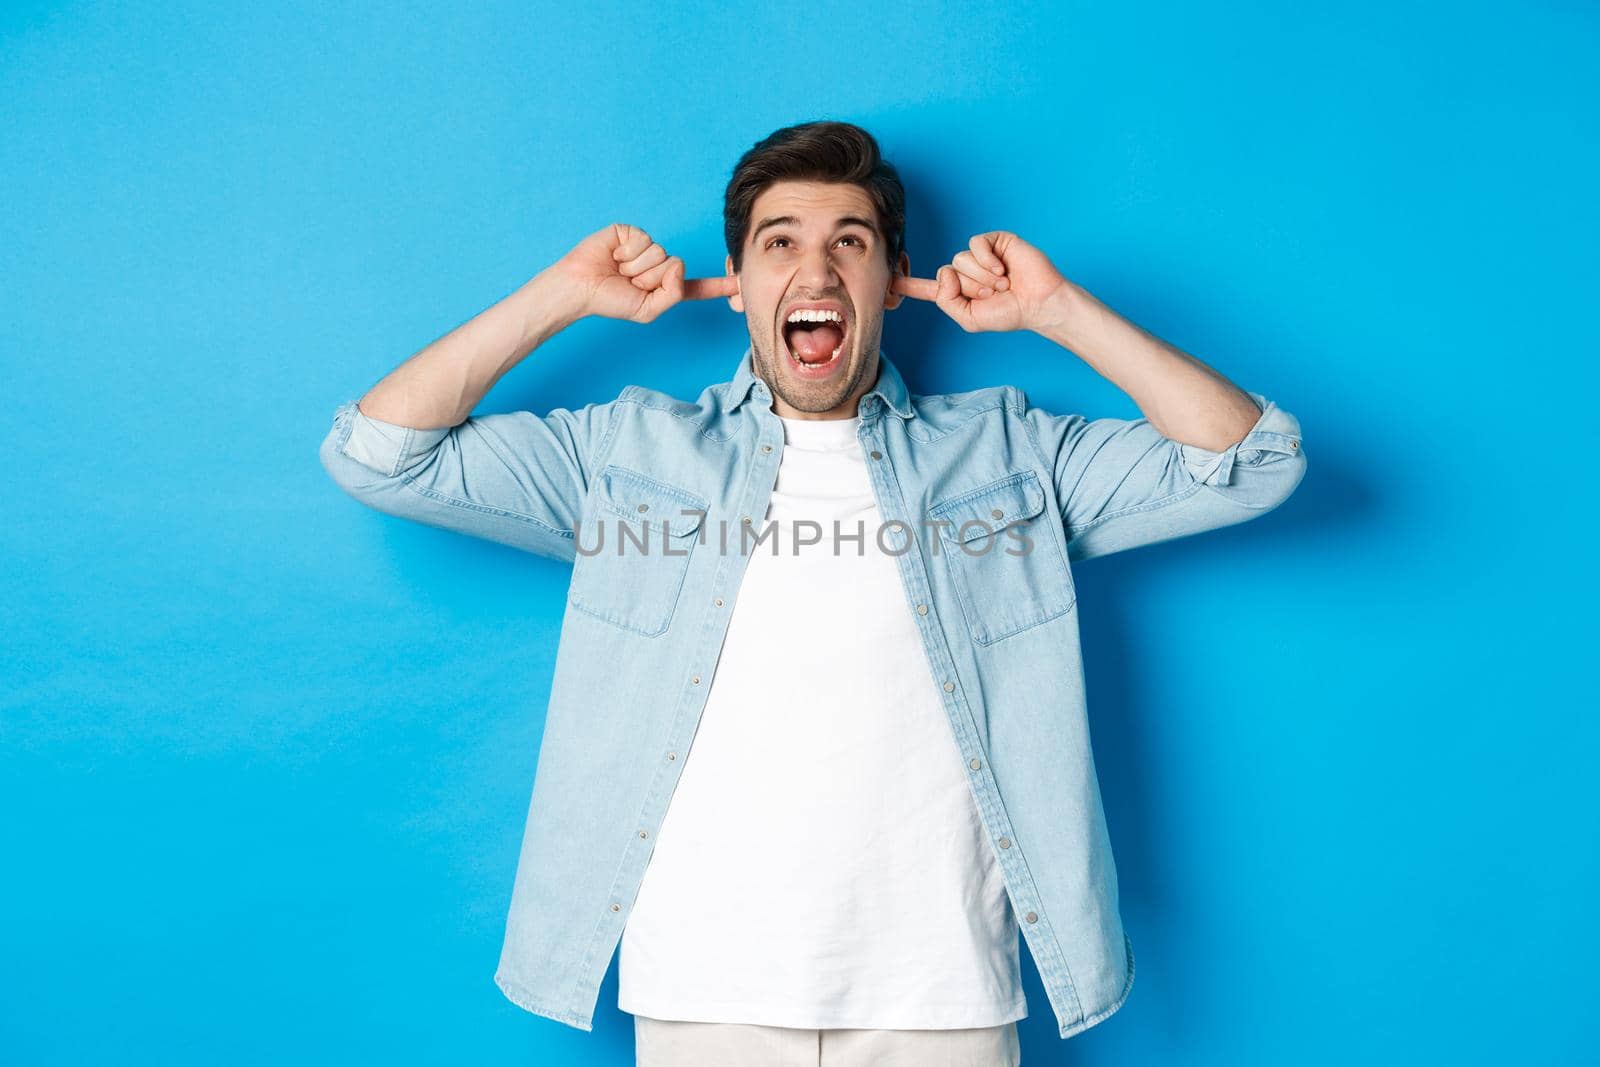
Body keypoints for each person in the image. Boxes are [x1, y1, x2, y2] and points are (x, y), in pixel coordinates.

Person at [318, 120, 1307, 1067]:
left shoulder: (1009, 456)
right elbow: (380, 457)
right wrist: (564, 293)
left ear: (891, 281)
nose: (816, 269)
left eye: (851, 241)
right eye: (778, 242)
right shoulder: (626, 455)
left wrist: (1057, 311)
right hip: (706, 984)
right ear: (738, 285)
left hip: (941, 988)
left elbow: (1254, 460)